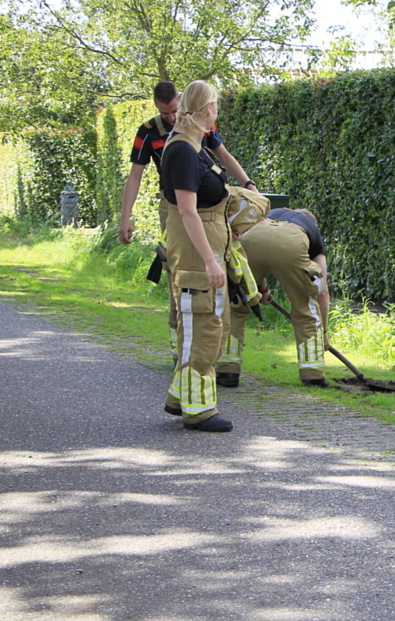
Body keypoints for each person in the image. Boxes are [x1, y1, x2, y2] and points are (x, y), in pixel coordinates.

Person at [118, 80, 258, 357]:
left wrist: (248, 183)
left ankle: (213, 352)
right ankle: (182, 349)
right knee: (182, 274)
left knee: (218, 271)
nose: (170, 118)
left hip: (210, 209)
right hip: (178, 205)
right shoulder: (151, 133)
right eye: (164, 113)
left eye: (174, 111)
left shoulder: (203, 127)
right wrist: (126, 217)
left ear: (182, 102)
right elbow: (135, 176)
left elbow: (223, 155)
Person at [160, 80, 239, 432]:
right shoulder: (183, 151)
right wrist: (209, 261)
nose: (216, 113)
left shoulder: (195, 145)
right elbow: (188, 212)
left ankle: (181, 397)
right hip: (195, 252)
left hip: (205, 245)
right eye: (216, 107)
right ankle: (199, 411)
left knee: (208, 324)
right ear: (207, 109)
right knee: (203, 326)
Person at [216, 208, 330, 387]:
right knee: (306, 310)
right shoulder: (312, 232)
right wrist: (324, 332)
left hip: (252, 239)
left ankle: (227, 371)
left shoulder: (271, 213)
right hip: (291, 244)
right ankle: (313, 375)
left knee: (236, 308)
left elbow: (261, 259)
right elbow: (321, 292)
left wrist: (263, 290)